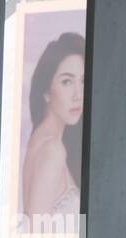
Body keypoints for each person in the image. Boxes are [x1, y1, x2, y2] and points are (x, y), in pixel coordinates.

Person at [22, 33, 84, 219]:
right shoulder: (52, 149)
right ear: (46, 91)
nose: (78, 94)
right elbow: (36, 236)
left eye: (83, 81)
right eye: (66, 82)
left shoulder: (42, 142)